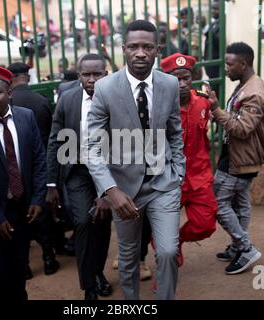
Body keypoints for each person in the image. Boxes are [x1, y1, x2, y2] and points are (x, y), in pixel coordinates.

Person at [86, 20, 185, 300]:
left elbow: (175, 132)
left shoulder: (169, 84)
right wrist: (110, 190)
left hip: (163, 183)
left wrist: (178, 173)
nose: (140, 52)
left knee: (167, 251)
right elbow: (92, 146)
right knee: (128, 258)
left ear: (157, 49)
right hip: (123, 190)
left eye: (147, 46)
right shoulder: (105, 88)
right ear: (123, 49)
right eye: (133, 46)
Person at [0, 65, 47, 301]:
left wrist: (37, 199)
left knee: (18, 269)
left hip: (22, 209)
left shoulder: (26, 116)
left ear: (9, 92)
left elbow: (38, 159)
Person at [46, 53, 112, 300]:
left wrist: (107, 191)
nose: (91, 79)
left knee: (103, 221)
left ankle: (98, 272)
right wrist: (51, 183)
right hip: (77, 170)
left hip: (107, 170)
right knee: (83, 222)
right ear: (79, 75)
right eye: (86, 74)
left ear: (106, 74)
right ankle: (89, 286)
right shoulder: (67, 99)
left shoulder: (117, 98)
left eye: (97, 74)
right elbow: (55, 139)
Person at [207, 42, 264, 275]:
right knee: (240, 203)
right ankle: (237, 247)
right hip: (238, 155)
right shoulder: (246, 84)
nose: (225, 68)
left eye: (229, 64)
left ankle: (245, 248)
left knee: (217, 203)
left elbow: (243, 129)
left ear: (243, 64)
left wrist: (215, 110)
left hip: (240, 158)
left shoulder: (254, 92)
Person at [161, 53, 218, 266]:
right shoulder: (159, 107)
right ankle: (165, 277)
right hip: (168, 179)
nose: (183, 84)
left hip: (199, 177)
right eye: (177, 79)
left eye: (186, 78)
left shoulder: (203, 102)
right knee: (163, 240)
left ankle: (179, 240)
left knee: (206, 224)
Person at [6, 62, 62, 277]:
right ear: (27, 76)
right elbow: (50, 133)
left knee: (18, 217)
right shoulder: (40, 100)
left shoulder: (9, 100)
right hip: (40, 164)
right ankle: (49, 259)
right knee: (41, 213)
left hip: (14, 165)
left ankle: (26, 266)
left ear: (10, 78)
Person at [204, 0, 221, 92]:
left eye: (216, 9)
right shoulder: (214, 23)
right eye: (212, 8)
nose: (213, 11)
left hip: (216, 65)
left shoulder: (223, 22)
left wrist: (204, 29)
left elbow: (218, 42)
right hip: (210, 65)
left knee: (216, 91)